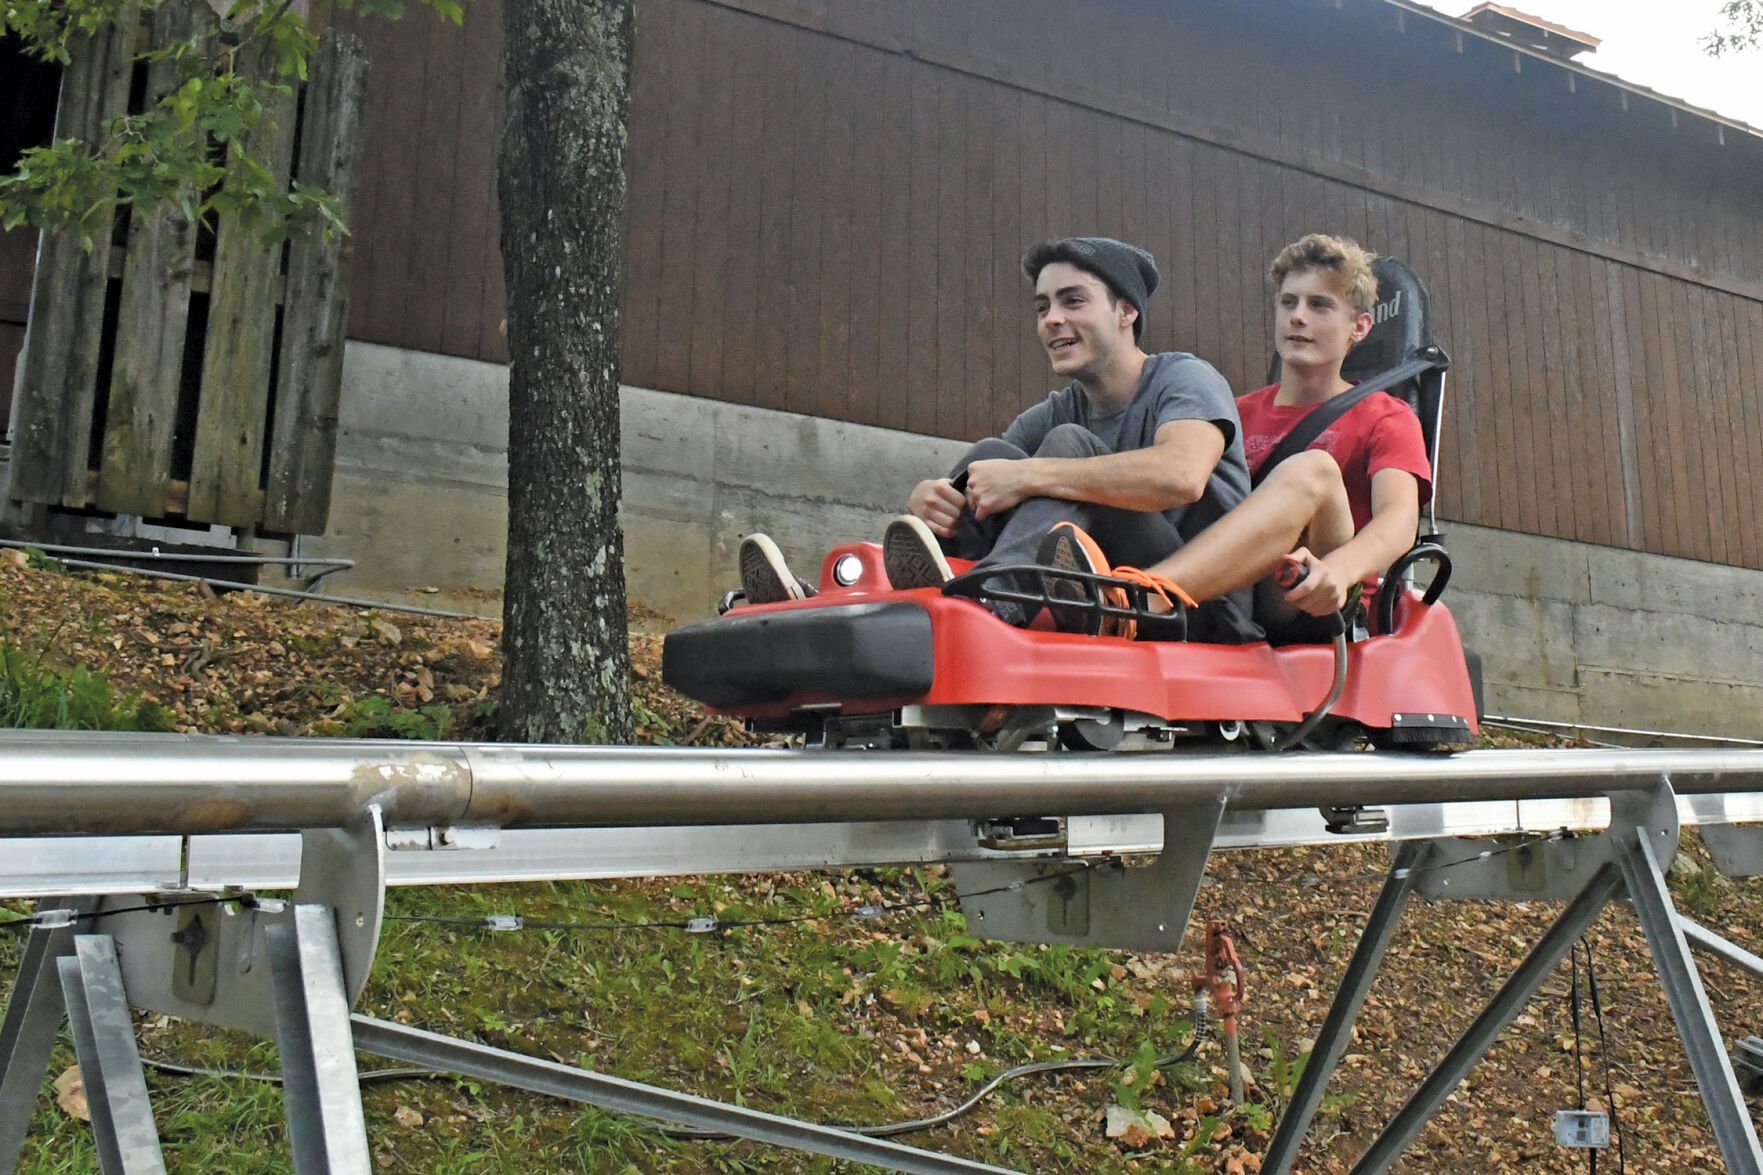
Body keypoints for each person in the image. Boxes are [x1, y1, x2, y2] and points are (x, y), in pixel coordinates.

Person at [739, 236, 1257, 641]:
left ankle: (992, 604)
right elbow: (997, 486)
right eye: (1042, 307)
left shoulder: (1184, 379)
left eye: (1073, 301)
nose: (1052, 319)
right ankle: (860, 602)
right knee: (990, 458)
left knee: (1062, 449)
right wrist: (936, 501)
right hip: (1102, 592)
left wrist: (1030, 474)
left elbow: (1182, 476)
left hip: (1194, 606)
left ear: (1127, 312)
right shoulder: (1055, 411)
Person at [1037, 233, 1431, 639]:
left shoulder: (1387, 416)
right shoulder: (1234, 411)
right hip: (1222, 591)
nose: (1298, 317)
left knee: (1314, 470)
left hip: (1310, 596)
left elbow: (1399, 520)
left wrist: (1341, 569)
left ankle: (1140, 598)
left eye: (1320, 305)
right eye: (1288, 302)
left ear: (1360, 326)